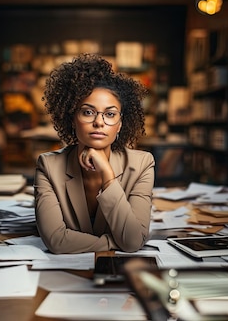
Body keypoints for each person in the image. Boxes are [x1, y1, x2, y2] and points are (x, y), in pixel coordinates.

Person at [34, 53, 155, 254]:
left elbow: (133, 241)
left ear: (120, 124)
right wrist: (114, 242)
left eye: (110, 114)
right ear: (72, 118)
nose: (99, 122)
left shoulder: (141, 164)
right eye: (88, 112)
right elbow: (56, 240)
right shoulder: (48, 166)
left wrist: (108, 175)